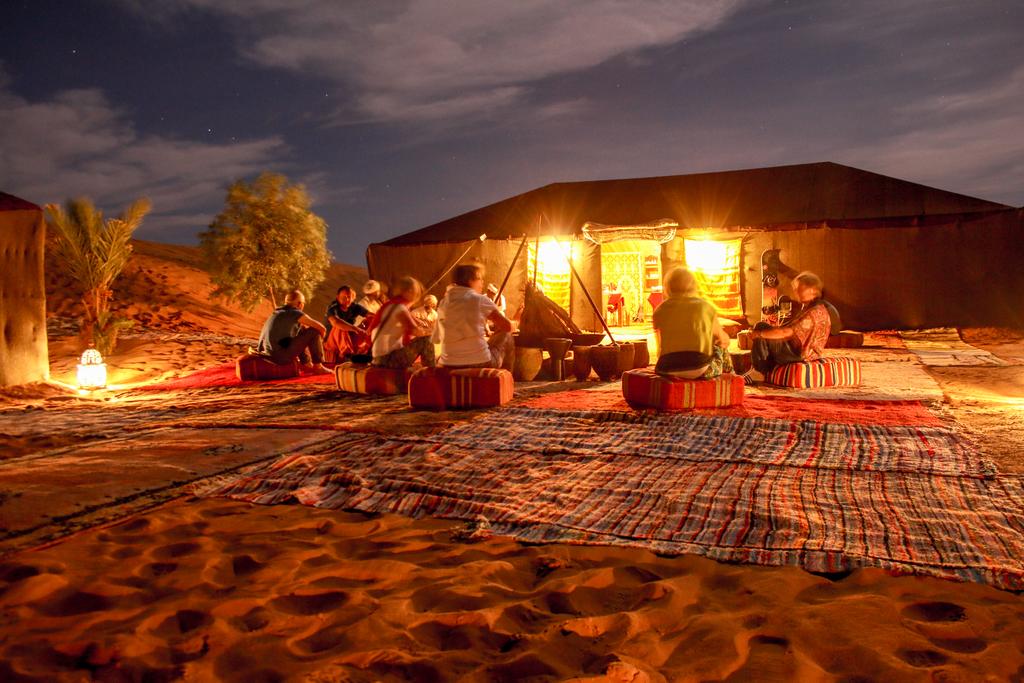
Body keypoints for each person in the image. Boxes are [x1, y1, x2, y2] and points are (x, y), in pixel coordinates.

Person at [744, 271, 833, 384]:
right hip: (799, 351)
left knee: (762, 332)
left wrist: (758, 334)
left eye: (800, 288)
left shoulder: (813, 312)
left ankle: (759, 372)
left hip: (798, 355)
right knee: (763, 328)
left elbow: (786, 333)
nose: (796, 291)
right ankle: (763, 368)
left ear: (813, 290)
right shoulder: (815, 307)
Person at [652, 267, 733, 379]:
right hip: (700, 369)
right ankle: (733, 381)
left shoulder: (659, 310)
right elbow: (724, 340)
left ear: (668, 287)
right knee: (720, 346)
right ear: (694, 285)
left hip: (665, 370)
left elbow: (659, 349)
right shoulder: (706, 307)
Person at [434, 264, 514, 369]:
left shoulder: (444, 302)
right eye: (480, 279)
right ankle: (507, 379)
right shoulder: (479, 299)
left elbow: (437, 337)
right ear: (471, 280)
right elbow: (507, 326)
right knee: (507, 335)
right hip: (479, 362)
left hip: (448, 363)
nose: (482, 283)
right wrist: (515, 321)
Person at [256, 289, 330, 374]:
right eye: (303, 303)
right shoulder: (295, 313)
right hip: (279, 357)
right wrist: (323, 342)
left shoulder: (277, 312)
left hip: (266, 354)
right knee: (314, 331)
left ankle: (306, 363)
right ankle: (318, 367)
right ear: (299, 304)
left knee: (301, 329)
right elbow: (321, 328)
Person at [368, 276, 435, 369]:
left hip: (380, 357)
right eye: (416, 292)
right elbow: (415, 331)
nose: (418, 296)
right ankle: (431, 373)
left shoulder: (391, 305)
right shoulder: (399, 308)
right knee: (427, 339)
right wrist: (434, 331)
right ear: (409, 291)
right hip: (387, 359)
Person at [323, 285, 369, 363]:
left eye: (349, 297)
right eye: (344, 297)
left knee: (368, 321)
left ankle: (368, 350)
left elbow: (371, 315)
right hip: (332, 342)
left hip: (349, 338)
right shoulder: (332, 307)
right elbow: (335, 322)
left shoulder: (354, 306)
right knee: (341, 326)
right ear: (337, 297)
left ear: (353, 298)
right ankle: (349, 355)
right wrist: (356, 329)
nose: (347, 299)